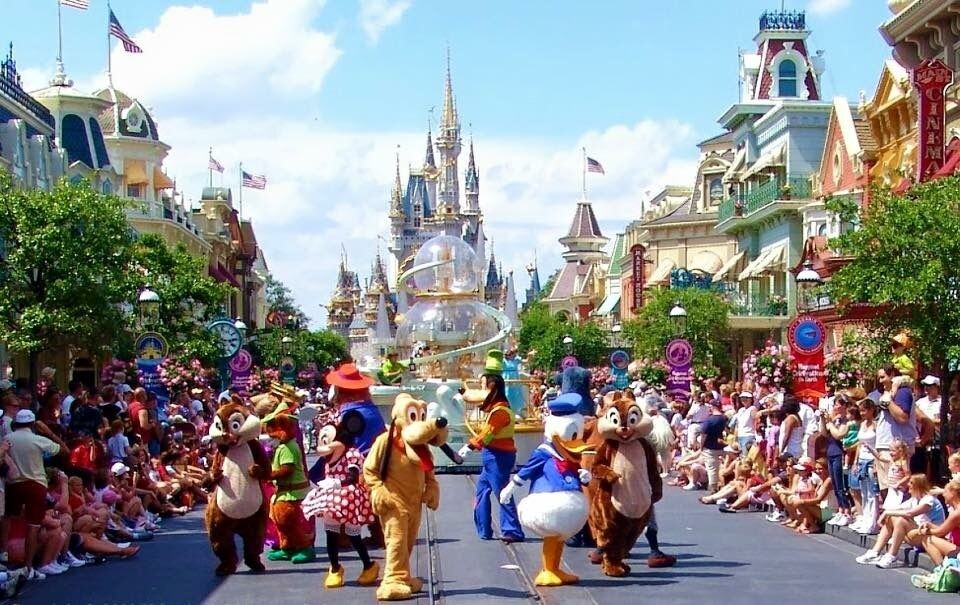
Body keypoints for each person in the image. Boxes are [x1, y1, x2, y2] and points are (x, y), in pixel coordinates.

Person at [459, 352, 524, 543]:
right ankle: (484, 529)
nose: (481, 390)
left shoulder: (500, 412)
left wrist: (470, 446)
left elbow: (488, 433)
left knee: (502, 492)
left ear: (492, 387)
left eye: (483, 385)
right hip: (491, 456)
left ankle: (512, 531)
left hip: (499, 456)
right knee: (482, 491)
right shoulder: (497, 409)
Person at [5, 410, 67, 580]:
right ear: (32, 424)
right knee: (33, 526)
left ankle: (4, 555)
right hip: (35, 483)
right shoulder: (37, 439)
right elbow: (64, 451)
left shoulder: (6, 439)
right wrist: (49, 433)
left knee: (8, 518)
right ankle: (28, 566)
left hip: (14, 484)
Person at [856, 473, 945, 569]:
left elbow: (910, 514)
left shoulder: (929, 500)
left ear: (918, 485)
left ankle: (892, 556)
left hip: (929, 537)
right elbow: (899, 508)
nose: (908, 485)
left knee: (901, 520)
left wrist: (886, 513)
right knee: (892, 518)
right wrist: (886, 513)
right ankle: (875, 552)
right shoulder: (914, 499)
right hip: (917, 534)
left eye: (911, 483)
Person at [909, 480, 960, 566]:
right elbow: (944, 529)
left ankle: (942, 569)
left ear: (953, 493)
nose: (943, 495)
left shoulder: (956, 513)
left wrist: (924, 532)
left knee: (927, 539)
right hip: (956, 546)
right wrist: (930, 525)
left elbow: (940, 532)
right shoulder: (956, 511)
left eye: (945, 492)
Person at [821, 393, 854, 527]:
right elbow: (824, 433)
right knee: (835, 484)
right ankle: (840, 510)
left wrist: (830, 423)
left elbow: (838, 435)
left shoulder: (847, 420)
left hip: (840, 453)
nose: (835, 407)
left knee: (841, 485)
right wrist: (824, 420)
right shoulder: (835, 420)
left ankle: (847, 512)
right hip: (831, 453)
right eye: (834, 405)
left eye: (838, 405)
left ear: (845, 406)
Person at [700, 399, 727, 493]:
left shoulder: (709, 420)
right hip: (723, 446)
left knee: (712, 468)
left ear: (713, 407)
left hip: (710, 447)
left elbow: (704, 434)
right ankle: (721, 486)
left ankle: (713, 487)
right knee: (722, 466)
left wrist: (701, 446)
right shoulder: (725, 418)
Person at [732, 391, 757, 455]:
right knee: (740, 456)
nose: (744, 400)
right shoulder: (740, 410)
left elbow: (756, 421)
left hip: (748, 436)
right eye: (742, 398)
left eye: (746, 398)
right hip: (740, 436)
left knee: (746, 456)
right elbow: (737, 425)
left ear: (751, 399)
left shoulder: (752, 408)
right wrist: (735, 439)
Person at [502, 349, 525, 416]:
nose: (509, 356)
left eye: (510, 354)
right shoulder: (503, 361)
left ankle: (516, 412)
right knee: (507, 394)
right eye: (507, 355)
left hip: (515, 378)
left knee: (516, 394)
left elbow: (525, 361)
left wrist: (530, 356)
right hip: (507, 378)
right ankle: (506, 411)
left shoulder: (516, 360)